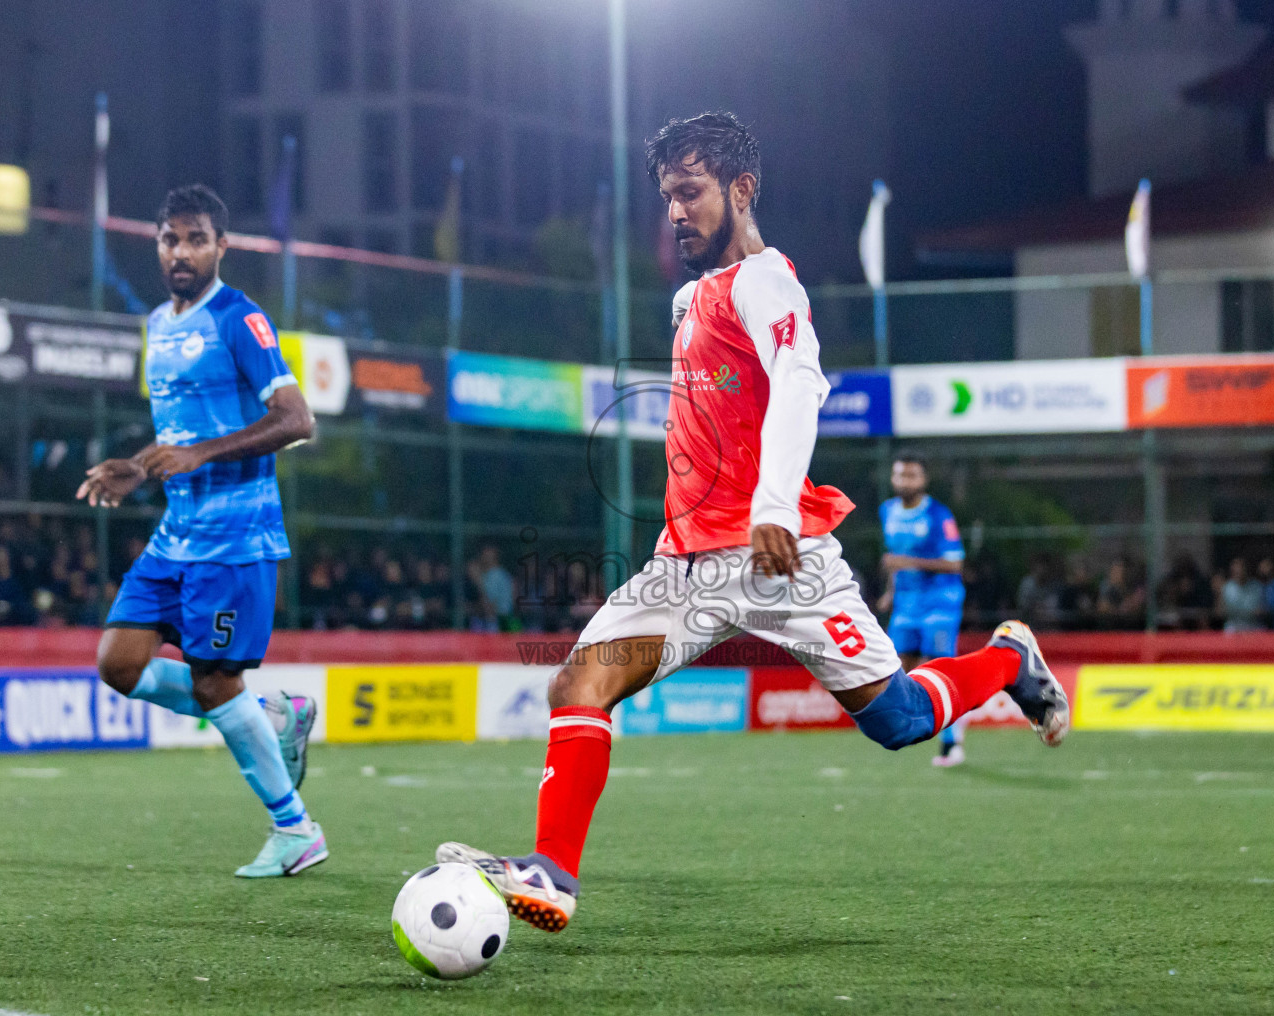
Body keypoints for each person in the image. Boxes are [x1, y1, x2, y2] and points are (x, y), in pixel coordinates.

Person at [435, 112, 1068, 934]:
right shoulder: (690, 295)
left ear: (741, 190)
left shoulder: (767, 281)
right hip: (686, 564)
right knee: (577, 683)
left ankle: (1010, 659)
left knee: (900, 720)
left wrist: (772, 505)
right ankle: (552, 871)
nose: (674, 212)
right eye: (666, 196)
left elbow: (802, 383)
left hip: (782, 558)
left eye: (690, 193)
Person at [77, 185, 326, 876]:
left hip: (235, 538)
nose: (179, 251)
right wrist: (136, 467)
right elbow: (179, 437)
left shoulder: (239, 319)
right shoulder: (156, 323)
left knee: (215, 686)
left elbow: (297, 419)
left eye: (194, 238)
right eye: (168, 238)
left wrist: (200, 454)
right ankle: (272, 714)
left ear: (222, 246)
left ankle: (296, 830)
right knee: (117, 663)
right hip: (175, 533)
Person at [875, 453, 968, 767]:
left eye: (911, 475)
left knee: (941, 669)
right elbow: (893, 560)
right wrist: (890, 592)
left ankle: (951, 743)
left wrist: (908, 563)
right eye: (900, 475)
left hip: (940, 603)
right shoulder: (887, 511)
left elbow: (955, 563)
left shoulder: (938, 515)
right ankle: (917, 725)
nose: (905, 481)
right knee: (896, 669)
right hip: (906, 605)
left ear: (923, 479)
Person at [1218, 556, 1265, 632]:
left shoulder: (1256, 586)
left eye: (1240, 568)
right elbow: (1220, 611)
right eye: (1235, 569)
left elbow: (1261, 609)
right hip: (1233, 625)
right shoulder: (1227, 587)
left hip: (1252, 624)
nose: (1238, 571)